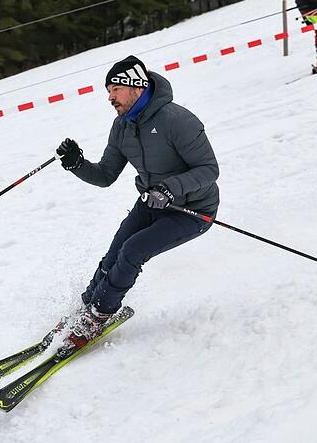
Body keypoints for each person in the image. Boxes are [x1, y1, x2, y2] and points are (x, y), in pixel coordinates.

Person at [55, 55, 219, 348]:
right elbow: (106, 175)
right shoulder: (122, 127)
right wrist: (77, 165)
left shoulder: (177, 120)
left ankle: (98, 315)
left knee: (133, 250)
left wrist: (169, 189)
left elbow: (209, 170)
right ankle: (87, 307)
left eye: (115, 89)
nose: (110, 97)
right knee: (115, 252)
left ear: (136, 86)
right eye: (109, 91)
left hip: (191, 210)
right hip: (151, 202)